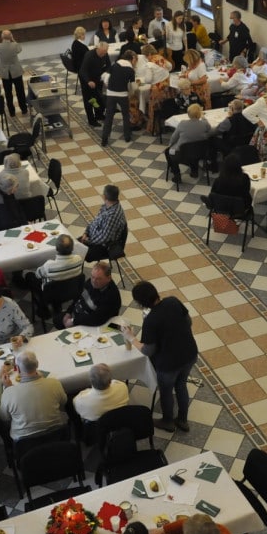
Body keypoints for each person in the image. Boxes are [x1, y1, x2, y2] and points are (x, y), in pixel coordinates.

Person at [122, 281, 198, 433]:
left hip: (169, 364)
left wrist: (131, 338)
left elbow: (148, 350)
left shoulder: (151, 320)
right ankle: (183, 420)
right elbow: (189, 321)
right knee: (181, 385)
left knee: (166, 391)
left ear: (140, 303)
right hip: (189, 353)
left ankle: (168, 421)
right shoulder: (173, 301)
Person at [0, 350, 68, 440]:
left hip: (24, 441)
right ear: (37, 364)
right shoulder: (54, 383)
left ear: (18, 369)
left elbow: (4, 417)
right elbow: (63, 402)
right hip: (56, 434)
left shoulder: (9, 393)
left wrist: (8, 388)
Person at [57, 261, 122, 330]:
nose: (93, 281)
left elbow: (96, 319)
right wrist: (68, 312)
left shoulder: (111, 296)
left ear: (108, 278)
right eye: (92, 277)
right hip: (78, 314)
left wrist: (73, 321)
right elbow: (78, 296)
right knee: (57, 321)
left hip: (91, 324)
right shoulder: (91, 282)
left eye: (98, 279)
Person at [165, 103, 211, 184]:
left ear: (188, 114)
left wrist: (170, 144)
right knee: (193, 149)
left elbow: (174, 137)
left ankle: (177, 175)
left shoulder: (183, 123)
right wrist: (204, 118)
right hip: (200, 153)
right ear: (199, 114)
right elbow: (209, 129)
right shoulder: (204, 124)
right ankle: (194, 171)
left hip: (182, 154)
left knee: (168, 151)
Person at [79, 184, 126, 262]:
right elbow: (95, 222)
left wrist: (87, 240)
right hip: (93, 239)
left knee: (77, 251)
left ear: (104, 197)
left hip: (104, 247)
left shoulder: (112, 216)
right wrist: (86, 233)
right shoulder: (106, 206)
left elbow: (104, 238)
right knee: (72, 245)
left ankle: (75, 272)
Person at [102, 50, 138, 146]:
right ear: (132, 59)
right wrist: (132, 92)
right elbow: (133, 87)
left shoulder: (114, 65)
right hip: (122, 95)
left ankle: (104, 138)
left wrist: (107, 86)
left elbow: (106, 77)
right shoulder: (131, 70)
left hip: (110, 94)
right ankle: (127, 136)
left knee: (109, 116)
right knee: (125, 115)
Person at [0, 29, 27, 117]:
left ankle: (12, 112)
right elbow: (20, 49)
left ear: (1, 37)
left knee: (8, 93)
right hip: (16, 71)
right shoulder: (15, 45)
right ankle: (24, 109)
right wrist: (13, 39)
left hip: (5, 72)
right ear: (11, 36)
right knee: (20, 91)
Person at [79, 42, 110, 126]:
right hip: (87, 80)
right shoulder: (89, 56)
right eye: (102, 52)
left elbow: (108, 66)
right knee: (89, 100)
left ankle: (99, 115)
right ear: (97, 49)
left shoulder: (105, 54)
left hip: (98, 79)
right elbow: (82, 71)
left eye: (105, 52)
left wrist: (106, 74)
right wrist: (88, 81)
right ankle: (91, 120)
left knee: (98, 98)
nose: (103, 54)